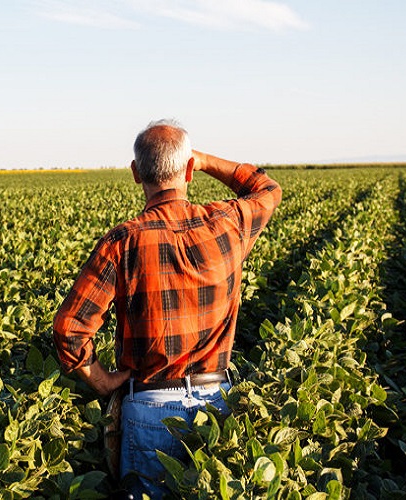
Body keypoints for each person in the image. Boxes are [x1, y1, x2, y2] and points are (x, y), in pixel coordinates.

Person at [52, 119, 282, 497]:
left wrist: (103, 380)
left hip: (149, 409)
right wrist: (205, 160)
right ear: (189, 169)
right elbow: (267, 189)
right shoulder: (228, 223)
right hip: (216, 406)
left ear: (135, 173)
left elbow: (69, 329)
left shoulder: (122, 242)